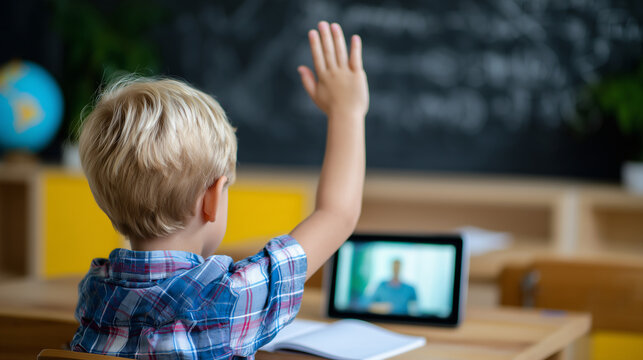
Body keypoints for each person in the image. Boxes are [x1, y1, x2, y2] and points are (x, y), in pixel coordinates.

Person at [71, 21, 368, 359]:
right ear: (212, 198)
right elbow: (337, 214)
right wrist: (348, 110)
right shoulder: (230, 298)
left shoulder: (95, 292)